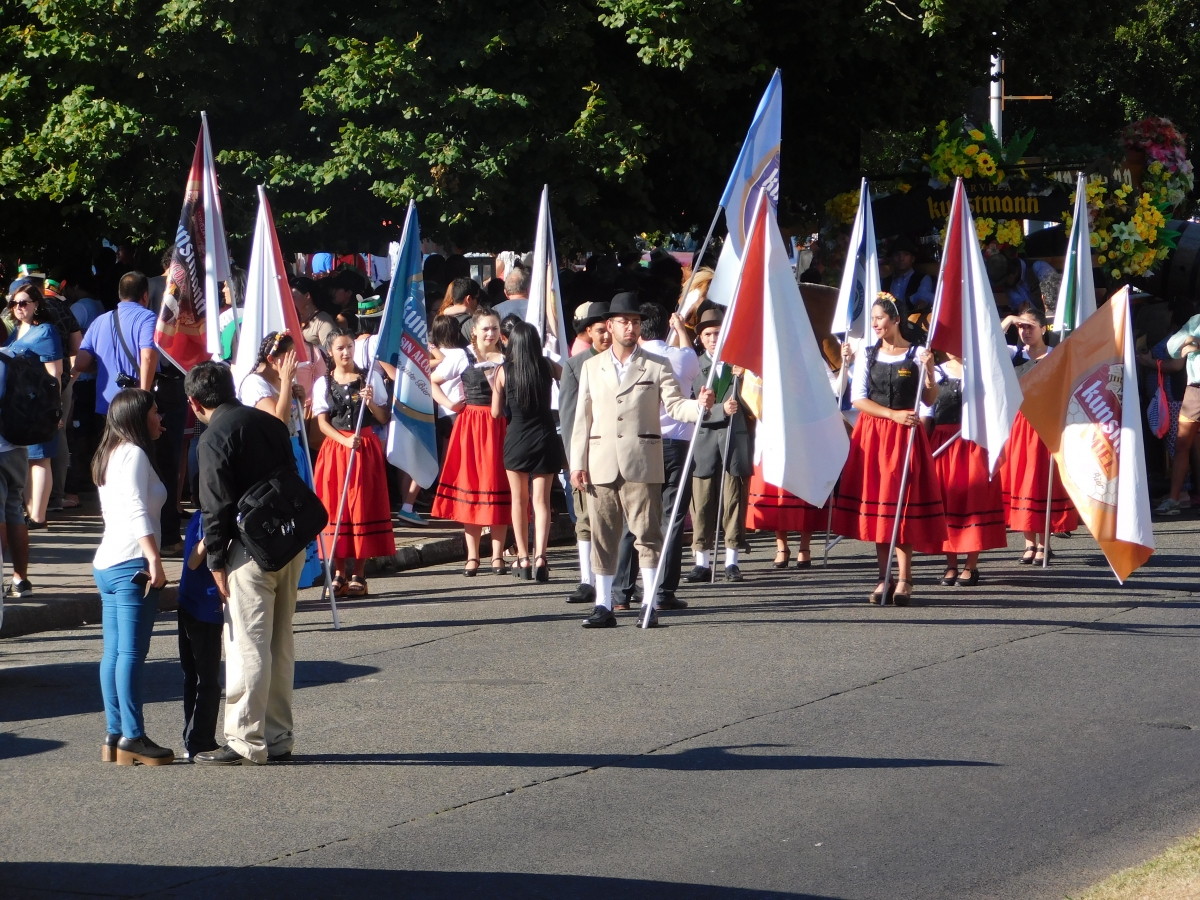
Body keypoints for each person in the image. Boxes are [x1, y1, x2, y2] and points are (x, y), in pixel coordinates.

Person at [569, 292, 714, 628]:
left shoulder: (655, 364)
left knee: (646, 534)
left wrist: (700, 406)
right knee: (603, 535)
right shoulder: (591, 366)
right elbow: (582, 419)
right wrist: (577, 462)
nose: (630, 327)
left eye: (635, 322)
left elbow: (676, 405)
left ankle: (648, 603)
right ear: (610, 325)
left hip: (642, 461)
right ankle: (603, 605)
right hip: (601, 462)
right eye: (624, 322)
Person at [187, 360, 306, 766]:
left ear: (193, 403)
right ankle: (277, 735)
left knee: (245, 644)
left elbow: (214, 505)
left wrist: (215, 561)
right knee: (279, 641)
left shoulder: (213, 436)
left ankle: (244, 739)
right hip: (288, 538)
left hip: (247, 550)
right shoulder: (268, 421)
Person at [831, 294, 946, 606]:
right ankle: (884, 576)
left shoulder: (917, 353)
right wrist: (893, 414)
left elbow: (930, 399)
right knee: (880, 506)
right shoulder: (867, 356)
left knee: (902, 506)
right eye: (872, 319)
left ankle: (905, 578)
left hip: (907, 436)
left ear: (895, 319)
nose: (875, 324)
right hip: (875, 436)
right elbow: (858, 399)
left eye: (880, 318)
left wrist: (931, 372)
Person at [92, 388, 171, 766]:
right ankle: (133, 738)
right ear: (139, 418)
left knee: (114, 653)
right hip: (131, 563)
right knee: (131, 654)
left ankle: (115, 733)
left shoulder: (110, 452)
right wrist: (154, 559)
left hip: (107, 562)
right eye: (155, 412)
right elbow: (138, 509)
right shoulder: (135, 454)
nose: (161, 418)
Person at [613, 302, 699, 609]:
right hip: (676, 441)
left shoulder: (631, 361)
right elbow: (692, 361)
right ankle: (663, 591)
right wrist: (681, 330)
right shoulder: (680, 356)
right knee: (671, 518)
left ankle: (622, 590)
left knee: (632, 517)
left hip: (640, 444)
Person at [237, 332, 325, 588]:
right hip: (276, 456)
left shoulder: (280, 382)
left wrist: (295, 393)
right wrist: (286, 385)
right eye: (288, 359)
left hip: (295, 448)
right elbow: (278, 421)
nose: (293, 365)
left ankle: (302, 575)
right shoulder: (256, 384)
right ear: (272, 359)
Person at [312, 330, 395, 597]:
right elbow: (323, 423)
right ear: (330, 352)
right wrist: (344, 441)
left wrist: (371, 404)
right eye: (340, 348)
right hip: (337, 449)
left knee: (361, 506)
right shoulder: (323, 383)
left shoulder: (368, 378)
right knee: (337, 508)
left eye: (349, 347)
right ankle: (339, 572)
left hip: (364, 448)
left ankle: (360, 571)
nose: (346, 352)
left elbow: (383, 418)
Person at [430, 307, 511, 575]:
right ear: (474, 331)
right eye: (485, 328)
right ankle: (473, 556)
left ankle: (497, 555)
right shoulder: (462, 357)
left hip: (500, 425)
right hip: (471, 426)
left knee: (498, 485)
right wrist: (450, 404)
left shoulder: (508, 358)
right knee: (472, 486)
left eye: (495, 328)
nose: (490, 333)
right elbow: (434, 381)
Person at [999, 307, 1079, 561]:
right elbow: (987, 348)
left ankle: (1044, 542)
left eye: (1030, 326)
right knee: (1022, 481)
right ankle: (1028, 543)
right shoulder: (1013, 355)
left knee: (1042, 482)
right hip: (1019, 426)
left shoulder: (1056, 356)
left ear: (1044, 329)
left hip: (1046, 425)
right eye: (1021, 327)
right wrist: (1009, 320)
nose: (1024, 331)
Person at [920, 352, 1006, 586]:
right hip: (943, 444)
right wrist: (921, 450)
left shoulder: (982, 372)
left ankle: (971, 565)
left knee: (974, 502)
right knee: (947, 502)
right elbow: (927, 415)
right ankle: (950, 564)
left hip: (974, 443)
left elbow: (998, 410)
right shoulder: (935, 372)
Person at [686, 306, 754, 584]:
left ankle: (731, 560)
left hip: (734, 441)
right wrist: (718, 411)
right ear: (701, 338)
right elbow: (687, 406)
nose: (714, 338)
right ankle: (701, 561)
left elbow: (757, 404)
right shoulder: (693, 367)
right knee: (701, 504)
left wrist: (747, 378)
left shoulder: (741, 367)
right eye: (709, 334)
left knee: (734, 501)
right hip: (703, 441)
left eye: (719, 333)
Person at [492, 321, 562, 581]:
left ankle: (522, 557)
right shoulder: (546, 365)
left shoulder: (503, 370)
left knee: (519, 500)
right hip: (545, 435)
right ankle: (541, 557)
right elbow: (570, 381)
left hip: (517, 437)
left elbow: (496, 412)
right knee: (542, 502)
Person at [559, 302, 611, 603]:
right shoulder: (575, 366)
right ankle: (586, 579)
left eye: (608, 330)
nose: (605, 336)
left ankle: (617, 579)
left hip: (617, 456)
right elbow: (568, 418)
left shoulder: (626, 362)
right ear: (589, 332)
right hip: (587, 456)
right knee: (585, 518)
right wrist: (574, 460)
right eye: (600, 331)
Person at [5, 280, 64, 530]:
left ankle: (38, 516)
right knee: (28, 458)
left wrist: (55, 409)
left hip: (39, 404)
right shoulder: (15, 331)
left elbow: (55, 374)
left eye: (24, 303)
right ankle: (29, 512)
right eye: (14, 303)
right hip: (19, 406)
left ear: (36, 305)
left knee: (40, 459)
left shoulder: (46, 331)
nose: (18, 307)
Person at [176, 509, 222, 759]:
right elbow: (194, 560)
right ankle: (200, 741)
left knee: (193, 676)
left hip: (190, 602)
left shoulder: (197, 517)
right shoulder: (210, 519)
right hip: (204, 608)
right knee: (208, 679)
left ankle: (192, 739)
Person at [1159, 308, 1200, 514]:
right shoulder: (1196, 320)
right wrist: (1188, 341)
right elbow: (1172, 346)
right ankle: (1174, 499)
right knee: (1182, 443)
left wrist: (1194, 344)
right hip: (1194, 390)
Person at [880, 237, 934, 317]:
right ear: (891, 259)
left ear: (912, 258)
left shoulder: (923, 279)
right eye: (897, 254)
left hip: (912, 325)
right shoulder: (884, 281)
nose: (901, 258)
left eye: (906, 254)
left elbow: (923, 300)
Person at [292, 276, 337, 353]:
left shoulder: (324, 321)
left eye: (293, 297)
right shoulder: (293, 319)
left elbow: (331, 353)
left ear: (307, 296)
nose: (290, 300)